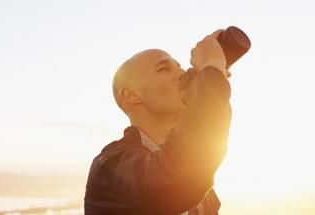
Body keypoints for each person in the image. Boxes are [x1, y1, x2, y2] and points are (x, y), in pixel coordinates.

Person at [84, 30, 232, 215]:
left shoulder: (206, 195)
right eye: (164, 69)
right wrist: (212, 71)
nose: (181, 73)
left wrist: (211, 79)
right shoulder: (112, 167)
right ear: (131, 95)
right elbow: (172, 180)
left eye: (179, 66)